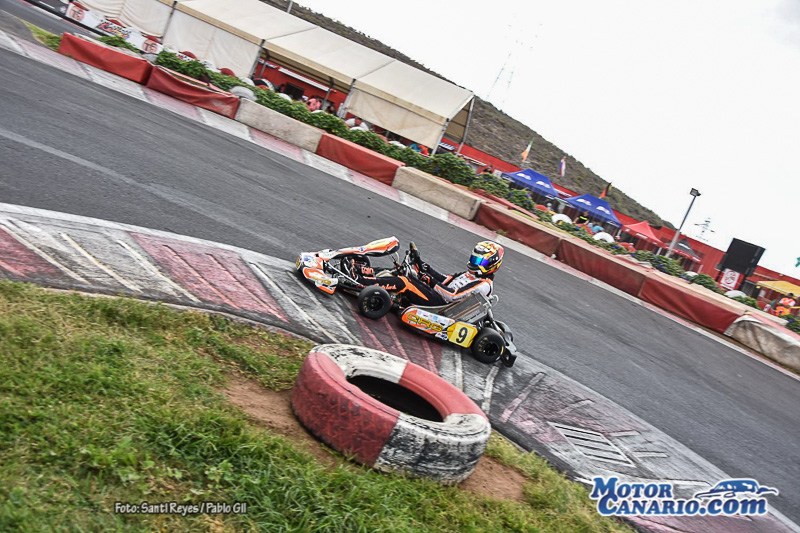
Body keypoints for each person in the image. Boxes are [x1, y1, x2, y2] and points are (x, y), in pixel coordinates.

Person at [346, 241, 504, 307]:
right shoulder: (472, 275)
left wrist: (430, 281)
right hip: (437, 296)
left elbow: (453, 295)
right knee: (406, 271)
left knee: (405, 282)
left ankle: (360, 282)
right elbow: (446, 280)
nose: (474, 263)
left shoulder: (483, 285)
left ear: (492, 265)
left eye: (479, 261)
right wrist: (423, 266)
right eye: (474, 258)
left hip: (441, 306)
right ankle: (362, 271)